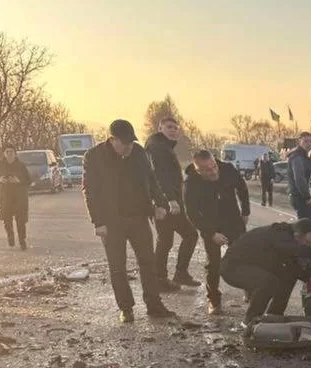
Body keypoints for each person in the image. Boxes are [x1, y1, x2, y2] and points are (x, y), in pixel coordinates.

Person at [82, 120, 177, 324]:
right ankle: (126, 308)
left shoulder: (139, 153)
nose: (128, 147)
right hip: (111, 221)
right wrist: (98, 222)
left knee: (148, 262)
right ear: (112, 139)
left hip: (139, 217)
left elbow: (151, 179)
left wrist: (160, 203)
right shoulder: (94, 156)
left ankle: (154, 305)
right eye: (124, 143)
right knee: (118, 266)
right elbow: (90, 191)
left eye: (131, 143)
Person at [221, 219, 311, 323]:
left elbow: (292, 266)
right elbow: (293, 250)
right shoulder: (279, 235)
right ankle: (250, 320)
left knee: (288, 276)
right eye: (307, 242)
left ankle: (274, 315)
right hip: (232, 268)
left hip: (249, 266)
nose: (309, 246)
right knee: (268, 282)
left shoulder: (287, 236)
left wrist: (308, 277)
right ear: (297, 235)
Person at [183, 149, 250, 315]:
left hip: (233, 219)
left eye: (214, 166)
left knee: (244, 257)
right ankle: (214, 299)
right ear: (198, 170)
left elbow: (242, 188)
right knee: (213, 264)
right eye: (207, 170)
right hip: (210, 224)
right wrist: (210, 233)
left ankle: (249, 288)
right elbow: (192, 213)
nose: (213, 171)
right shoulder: (191, 182)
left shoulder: (227, 169)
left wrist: (245, 211)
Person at [145, 115, 200, 290]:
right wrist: (170, 199)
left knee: (168, 240)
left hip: (164, 201)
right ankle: (166, 277)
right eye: (169, 127)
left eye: (175, 128)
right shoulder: (158, 148)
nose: (173, 130)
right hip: (166, 203)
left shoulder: (162, 146)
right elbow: (160, 176)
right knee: (186, 236)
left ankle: (166, 277)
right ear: (160, 128)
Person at [0, 145, 31, 249]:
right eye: (7, 152)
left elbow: (28, 180)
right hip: (5, 195)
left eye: (11, 152)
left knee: (20, 220)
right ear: (4, 153)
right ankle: (10, 237)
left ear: (15, 153)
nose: (9, 154)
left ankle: (22, 240)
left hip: (19, 196)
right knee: (7, 219)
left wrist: (18, 181)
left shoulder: (21, 165)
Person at [287, 132, 311, 222]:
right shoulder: (297, 157)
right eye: (305, 141)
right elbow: (299, 179)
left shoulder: (305, 157)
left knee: (306, 225)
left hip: (300, 196)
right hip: (299, 197)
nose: (309, 144)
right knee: (308, 225)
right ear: (299, 142)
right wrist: (307, 196)